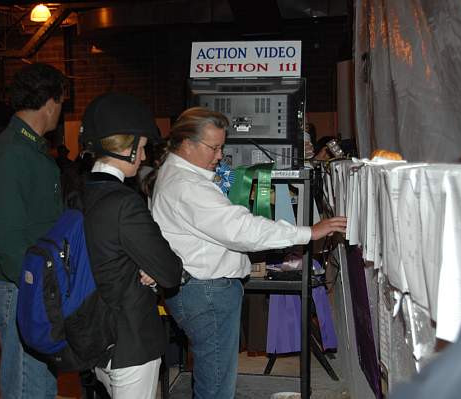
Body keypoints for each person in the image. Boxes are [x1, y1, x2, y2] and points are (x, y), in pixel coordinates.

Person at [149, 107, 347, 399]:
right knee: (216, 387)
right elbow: (241, 230)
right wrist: (308, 232)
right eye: (214, 147)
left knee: (211, 378)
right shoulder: (186, 185)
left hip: (198, 289)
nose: (219, 156)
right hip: (207, 291)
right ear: (187, 144)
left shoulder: (178, 173)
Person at [75, 92, 182, 398]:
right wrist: (151, 265)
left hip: (95, 336)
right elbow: (170, 272)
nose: (145, 157)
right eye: (143, 148)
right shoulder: (125, 203)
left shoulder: (79, 192)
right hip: (130, 342)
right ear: (128, 147)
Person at [0, 63, 66, 399]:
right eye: (61, 102)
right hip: (21, 286)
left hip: (31, 282)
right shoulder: (11, 153)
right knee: (26, 385)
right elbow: (5, 236)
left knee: (39, 382)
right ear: (50, 102)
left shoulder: (29, 148)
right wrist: (36, 288)